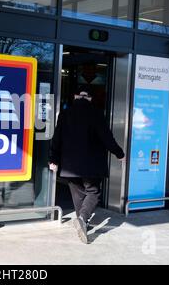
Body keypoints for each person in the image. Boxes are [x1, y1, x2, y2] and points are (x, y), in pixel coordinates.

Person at [49, 86, 125, 244]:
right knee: (93, 192)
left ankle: (83, 222)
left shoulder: (65, 113)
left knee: (78, 194)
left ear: (76, 96)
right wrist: (119, 153)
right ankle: (83, 220)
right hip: (91, 164)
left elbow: (57, 138)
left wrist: (53, 159)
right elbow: (107, 137)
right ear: (90, 98)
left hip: (69, 165)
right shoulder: (96, 113)